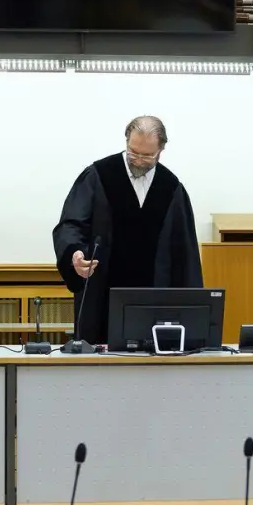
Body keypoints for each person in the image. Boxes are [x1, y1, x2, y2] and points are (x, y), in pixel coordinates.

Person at [52, 116, 204, 345]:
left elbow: (186, 255)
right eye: (133, 152)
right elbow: (70, 224)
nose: (139, 161)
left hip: (157, 300)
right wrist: (74, 253)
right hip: (101, 294)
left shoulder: (171, 188)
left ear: (161, 150)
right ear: (126, 141)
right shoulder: (99, 176)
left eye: (147, 155)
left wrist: (192, 313)